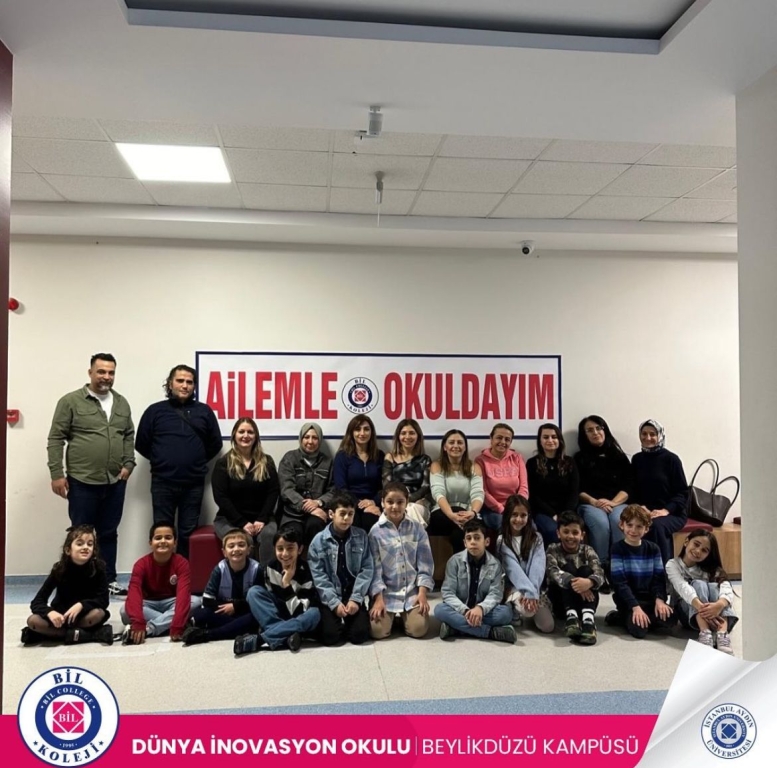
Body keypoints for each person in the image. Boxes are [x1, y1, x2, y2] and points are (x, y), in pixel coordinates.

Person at [47, 352, 135, 596]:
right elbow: (56, 438)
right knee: (81, 534)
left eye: (111, 372)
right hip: (82, 480)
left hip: (115, 480)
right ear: (90, 373)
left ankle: (108, 580)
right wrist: (56, 473)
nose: (106, 377)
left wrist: (129, 463)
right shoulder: (71, 401)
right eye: (101, 371)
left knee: (108, 533)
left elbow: (129, 434)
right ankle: (77, 582)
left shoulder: (121, 403)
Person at [135, 364, 223, 559]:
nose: (185, 385)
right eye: (180, 381)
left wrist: (194, 460)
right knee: (162, 532)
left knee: (188, 532)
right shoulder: (155, 411)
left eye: (189, 382)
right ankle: (163, 572)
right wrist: (163, 459)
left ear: (194, 386)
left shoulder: (204, 411)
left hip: (193, 483)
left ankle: (183, 572)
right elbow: (141, 443)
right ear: (170, 384)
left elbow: (215, 444)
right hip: (162, 482)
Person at [233, 528, 321, 654]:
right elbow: (265, 601)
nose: (285, 554)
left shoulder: (306, 572)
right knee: (253, 592)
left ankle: (260, 640)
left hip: (297, 615)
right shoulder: (269, 567)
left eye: (290, 548)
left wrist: (286, 584)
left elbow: (299, 612)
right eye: (280, 549)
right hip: (277, 613)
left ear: (300, 549)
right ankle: (286, 636)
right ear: (274, 549)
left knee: (314, 614)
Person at [23, 525, 113, 646]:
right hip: (60, 618)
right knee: (33, 621)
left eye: (90, 544)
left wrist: (82, 605)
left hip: (83, 617)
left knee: (98, 614)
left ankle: (55, 635)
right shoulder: (59, 569)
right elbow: (37, 601)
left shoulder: (98, 569)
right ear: (68, 550)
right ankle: (86, 635)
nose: (85, 547)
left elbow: (103, 600)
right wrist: (49, 612)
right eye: (80, 544)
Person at [369, 481, 434, 640]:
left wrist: (422, 593)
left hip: (411, 593)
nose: (395, 507)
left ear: (407, 502)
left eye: (400, 502)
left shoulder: (417, 528)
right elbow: (374, 570)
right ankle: (392, 620)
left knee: (418, 629)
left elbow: (425, 564)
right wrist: (378, 599)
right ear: (382, 502)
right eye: (390, 502)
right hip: (386, 594)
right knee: (377, 631)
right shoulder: (375, 533)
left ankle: (406, 620)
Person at [433, 518, 515, 643]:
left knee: (506, 613)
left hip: (483, 610)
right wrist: (465, 610)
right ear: (464, 543)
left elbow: (496, 594)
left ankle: (455, 628)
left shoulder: (495, 564)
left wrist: (480, 608)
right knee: (439, 610)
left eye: (477, 538)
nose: (473, 542)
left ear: (486, 541)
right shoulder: (454, 561)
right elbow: (448, 592)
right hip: (461, 608)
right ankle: (489, 632)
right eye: (469, 538)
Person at [308, 491, 374, 646]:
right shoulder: (318, 541)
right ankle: (333, 622)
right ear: (331, 514)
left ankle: (349, 621)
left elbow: (367, 569)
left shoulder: (361, 536)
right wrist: (334, 603)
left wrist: (356, 599)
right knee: (330, 637)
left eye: (350, 514)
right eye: (342, 513)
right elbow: (319, 577)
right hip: (329, 596)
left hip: (352, 594)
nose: (346, 518)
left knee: (360, 635)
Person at [212, 418, 279, 565]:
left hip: (262, 518)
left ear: (256, 436)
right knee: (241, 540)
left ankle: (267, 576)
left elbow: (273, 492)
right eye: (241, 431)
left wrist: (262, 519)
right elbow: (220, 497)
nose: (245, 435)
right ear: (234, 435)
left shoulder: (267, 461)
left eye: (250, 432)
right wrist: (242, 523)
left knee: (269, 535)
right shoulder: (223, 463)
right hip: (229, 519)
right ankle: (244, 577)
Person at [121, 523, 200, 644]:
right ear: (150, 543)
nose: (163, 541)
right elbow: (134, 593)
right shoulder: (140, 564)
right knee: (124, 611)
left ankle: (149, 629)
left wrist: (177, 625)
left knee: (196, 602)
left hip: (173, 602)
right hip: (148, 603)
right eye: (158, 538)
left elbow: (183, 594)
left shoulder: (182, 563)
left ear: (175, 542)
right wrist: (137, 622)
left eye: (168, 537)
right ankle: (173, 622)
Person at [182, 528, 262, 646]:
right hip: (224, 612)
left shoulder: (257, 569)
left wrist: (236, 606)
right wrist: (226, 608)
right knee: (199, 614)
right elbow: (207, 600)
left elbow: (260, 601)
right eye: (231, 546)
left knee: (255, 618)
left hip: (245, 612)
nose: (236, 549)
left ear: (249, 549)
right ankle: (237, 628)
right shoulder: (219, 569)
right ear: (224, 552)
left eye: (241, 545)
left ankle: (208, 634)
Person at [606, 505, 673, 639]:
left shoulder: (653, 548)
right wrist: (635, 607)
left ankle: (643, 617)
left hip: (649, 599)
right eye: (629, 525)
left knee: (671, 620)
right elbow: (620, 584)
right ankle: (622, 616)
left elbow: (659, 578)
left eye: (639, 526)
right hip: (629, 601)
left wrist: (660, 600)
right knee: (639, 631)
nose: (633, 530)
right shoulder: (617, 549)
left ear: (646, 528)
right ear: (622, 525)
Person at [575, 415, 632, 573]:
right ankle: (600, 567)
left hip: (617, 503)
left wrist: (613, 502)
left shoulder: (619, 456)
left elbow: (628, 486)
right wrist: (595, 502)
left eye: (598, 428)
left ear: (605, 430)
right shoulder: (579, 458)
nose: (595, 432)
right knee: (601, 524)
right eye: (590, 430)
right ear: (584, 435)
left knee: (618, 521)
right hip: (590, 504)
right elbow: (577, 489)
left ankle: (618, 566)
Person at [666, 530, 738, 655]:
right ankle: (705, 632)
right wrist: (703, 609)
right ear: (686, 542)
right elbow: (683, 587)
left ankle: (722, 634)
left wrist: (719, 605)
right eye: (696, 544)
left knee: (715, 587)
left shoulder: (710, 568)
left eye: (704, 550)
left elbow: (726, 586)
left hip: (714, 614)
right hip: (688, 615)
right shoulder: (672, 564)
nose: (698, 551)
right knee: (698, 584)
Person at [631, 419, 689, 565]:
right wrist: (640, 507)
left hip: (673, 513)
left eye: (652, 434)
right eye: (644, 434)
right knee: (634, 524)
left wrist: (665, 510)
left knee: (656, 526)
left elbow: (682, 493)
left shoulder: (671, 459)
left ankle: (663, 570)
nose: (648, 438)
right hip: (645, 510)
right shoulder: (637, 459)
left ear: (660, 436)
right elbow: (633, 489)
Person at [545, 511, 603, 645]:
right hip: (561, 603)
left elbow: (600, 572)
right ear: (558, 533)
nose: (570, 536)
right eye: (566, 532)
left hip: (584, 602)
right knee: (568, 568)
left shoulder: (588, 550)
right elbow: (552, 571)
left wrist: (589, 582)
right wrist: (578, 584)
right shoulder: (552, 549)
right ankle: (571, 617)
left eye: (575, 533)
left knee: (586, 570)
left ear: (582, 535)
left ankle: (588, 621)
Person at [498, 495, 554, 633]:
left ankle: (526, 604)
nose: (519, 519)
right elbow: (513, 570)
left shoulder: (537, 538)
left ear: (528, 516)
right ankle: (512, 604)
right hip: (515, 586)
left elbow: (538, 567)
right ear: (508, 515)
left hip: (534, 588)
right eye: (514, 515)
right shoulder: (502, 540)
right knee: (528, 610)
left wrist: (532, 593)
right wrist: (526, 592)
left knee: (547, 626)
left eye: (523, 515)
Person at [277, 422, 335, 546]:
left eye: (315, 438)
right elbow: (286, 489)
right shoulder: (289, 458)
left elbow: (333, 490)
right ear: (301, 438)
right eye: (306, 437)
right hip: (292, 515)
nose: (310, 441)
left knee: (315, 527)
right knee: (292, 535)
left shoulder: (328, 462)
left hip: (318, 513)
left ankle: (314, 559)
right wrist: (309, 507)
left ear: (320, 440)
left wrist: (318, 502)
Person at [428, 429, 484, 552]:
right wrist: (451, 515)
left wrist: (473, 512)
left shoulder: (474, 467)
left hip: (468, 513)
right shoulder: (437, 466)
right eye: (451, 442)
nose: (456, 446)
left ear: (465, 447)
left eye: (460, 442)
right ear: (445, 447)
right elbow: (438, 493)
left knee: (461, 533)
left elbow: (478, 494)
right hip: (443, 512)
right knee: (463, 531)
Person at [526, 423, 579, 546]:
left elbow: (574, 492)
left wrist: (564, 514)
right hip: (542, 512)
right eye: (545, 437)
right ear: (540, 441)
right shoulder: (532, 463)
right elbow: (533, 495)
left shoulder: (569, 462)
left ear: (559, 440)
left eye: (554, 437)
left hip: (567, 511)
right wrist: (552, 514)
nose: (550, 440)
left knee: (572, 532)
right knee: (553, 532)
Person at [333, 415, 384, 533]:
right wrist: (358, 504)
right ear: (351, 432)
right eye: (357, 429)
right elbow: (341, 487)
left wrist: (373, 502)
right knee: (352, 524)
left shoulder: (379, 456)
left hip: (372, 504)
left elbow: (384, 486)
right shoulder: (342, 456)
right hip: (348, 504)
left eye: (366, 429)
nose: (362, 433)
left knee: (372, 522)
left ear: (371, 432)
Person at [475, 423, 528, 532]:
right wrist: (502, 509)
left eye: (507, 439)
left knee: (531, 528)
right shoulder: (480, 460)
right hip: (492, 509)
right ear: (491, 438)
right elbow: (483, 491)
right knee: (505, 526)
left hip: (516, 507)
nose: (503, 442)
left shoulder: (517, 458)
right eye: (499, 438)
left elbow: (524, 487)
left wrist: (516, 508)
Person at [382, 418, 432, 527]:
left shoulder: (425, 460)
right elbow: (387, 486)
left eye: (412, 433)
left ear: (418, 436)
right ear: (398, 436)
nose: (407, 437)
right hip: (394, 502)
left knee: (412, 509)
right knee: (404, 510)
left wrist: (408, 500)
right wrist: (401, 501)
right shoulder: (390, 457)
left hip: (419, 503)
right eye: (403, 433)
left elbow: (426, 487)